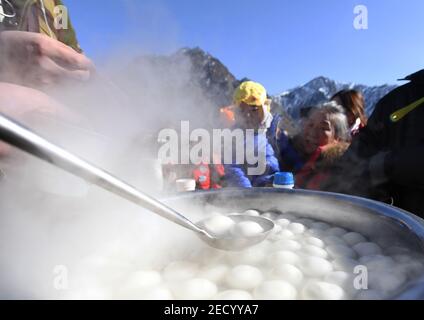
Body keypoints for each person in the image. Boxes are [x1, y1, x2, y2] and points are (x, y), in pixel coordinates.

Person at [323, 69, 424, 218]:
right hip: (388, 228)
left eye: (336, 110)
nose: (327, 116)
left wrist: (386, 165)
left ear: (351, 114)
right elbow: (360, 150)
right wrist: (330, 193)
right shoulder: (398, 100)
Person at [277, 102, 351, 190]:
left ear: (338, 137)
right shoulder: (285, 154)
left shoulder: (338, 170)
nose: (313, 133)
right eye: (310, 124)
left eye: (323, 128)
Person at [224, 81, 280, 188]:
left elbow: (269, 162)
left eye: (254, 110)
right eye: (242, 110)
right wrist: (247, 191)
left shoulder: (263, 135)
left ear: (263, 112)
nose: (247, 115)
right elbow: (232, 167)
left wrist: (271, 180)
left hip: (261, 191)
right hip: (241, 193)